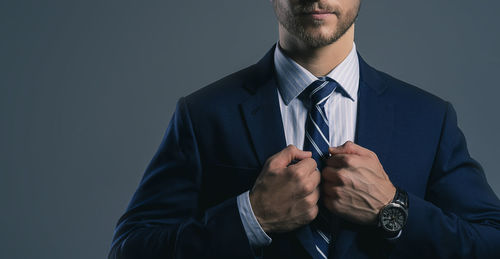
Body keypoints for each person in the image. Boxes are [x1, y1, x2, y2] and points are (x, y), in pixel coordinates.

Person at [109, 0, 500, 258]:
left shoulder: (428, 118)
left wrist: (391, 210)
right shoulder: (203, 114)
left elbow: (490, 241)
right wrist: (251, 217)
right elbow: (129, 249)